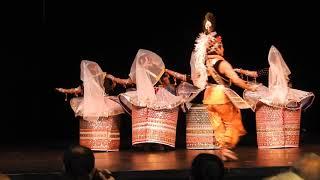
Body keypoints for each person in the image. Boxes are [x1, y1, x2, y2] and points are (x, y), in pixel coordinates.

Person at [190, 12, 258, 149]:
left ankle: (224, 151)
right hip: (220, 97)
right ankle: (227, 146)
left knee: (218, 126)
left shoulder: (205, 63)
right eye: (222, 46)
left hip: (208, 98)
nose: (223, 48)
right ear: (219, 48)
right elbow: (236, 80)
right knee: (233, 121)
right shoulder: (223, 64)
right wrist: (251, 88)